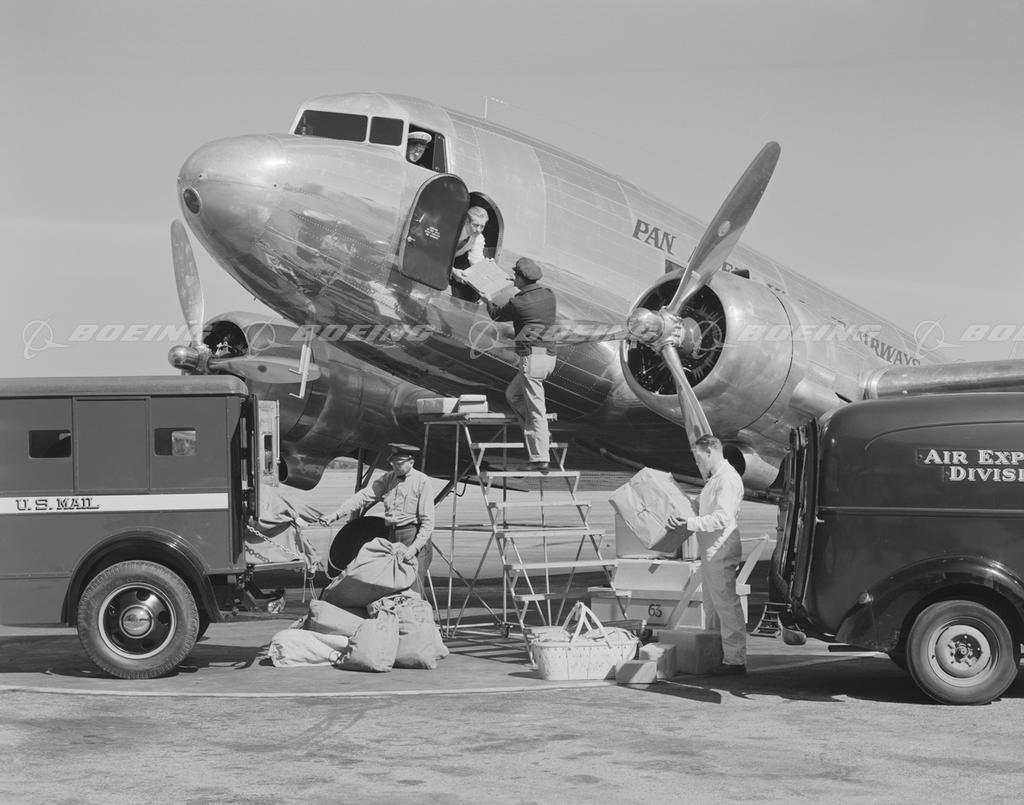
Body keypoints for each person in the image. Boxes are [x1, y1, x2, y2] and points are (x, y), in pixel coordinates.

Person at [668, 435, 747, 675]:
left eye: (698, 457)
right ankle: (720, 654)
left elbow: (722, 517)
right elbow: (707, 507)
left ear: (711, 451)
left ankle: (735, 660)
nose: (697, 462)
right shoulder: (716, 479)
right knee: (713, 606)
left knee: (725, 604)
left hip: (720, 549)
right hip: (712, 549)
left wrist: (690, 523)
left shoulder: (727, 480)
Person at [321, 443, 435, 584]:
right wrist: (336, 514)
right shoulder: (389, 478)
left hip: (413, 537)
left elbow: (428, 522)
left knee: (413, 586)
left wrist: (413, 549)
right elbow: (364, 496)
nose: (395, 467)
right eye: (392, 463)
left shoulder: (422, 482)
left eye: (399, 463)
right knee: (393, 584)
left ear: (411, 462)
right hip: (393, 536)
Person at [487, 257, 557, 472]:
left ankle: (540, 457)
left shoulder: (519, 302)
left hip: (533, 359)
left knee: (536, 409)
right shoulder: (549, 295)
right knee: (513, 395)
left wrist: (486, 297)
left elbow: (496, 314)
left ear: (520, 278)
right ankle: (542, 433)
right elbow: (529, 294)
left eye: (516, 276)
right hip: (547, 357)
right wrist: (518, 282)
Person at [452, 206, 490, 280]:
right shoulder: (453, 230)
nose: (479, 230)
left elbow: (476, 261)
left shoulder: (478, 238)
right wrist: (452, 271)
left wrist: (487, 267)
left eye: (482, 226)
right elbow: (436, 253)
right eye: (475, 225)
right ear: (466, 221)